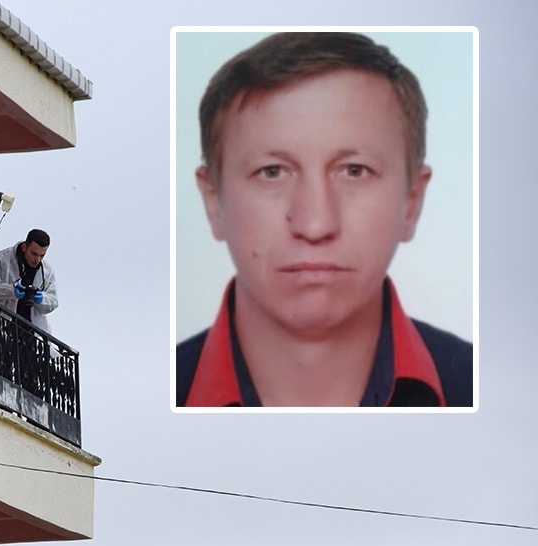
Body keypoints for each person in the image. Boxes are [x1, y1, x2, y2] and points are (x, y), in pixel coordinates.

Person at [176, 32, 473, 407]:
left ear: (412, 201)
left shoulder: (496, 392)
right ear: (213, 201)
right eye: (272, 171)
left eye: (354, 170)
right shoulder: (144, 398)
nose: (315, 225)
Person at [0, 229, 59, 332]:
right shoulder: (1, 259)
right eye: (34, 254)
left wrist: (42, 299)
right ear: (24, 247)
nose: (37, 259)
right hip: (1, 327)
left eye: (42, 255)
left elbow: (54, 301)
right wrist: (11, 291)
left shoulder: (47, 270)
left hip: (32, 332)